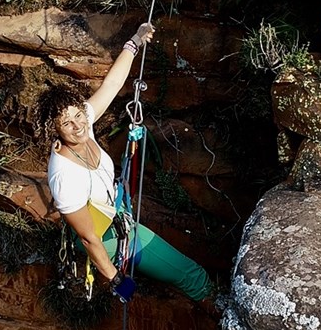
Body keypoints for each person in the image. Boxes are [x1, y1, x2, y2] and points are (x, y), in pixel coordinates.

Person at [33, 22, 214, 304]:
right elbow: (89, 237)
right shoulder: (64, 175)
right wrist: (116, 279)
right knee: (188, 272)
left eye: (78, 116)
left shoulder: (86, 125)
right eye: (66, 123)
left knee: (177, 261)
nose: (77, 125)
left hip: (115, 217)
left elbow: (113, 84)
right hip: (107, 236)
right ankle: (216, 303)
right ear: (55, 130)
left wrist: (134, 41)